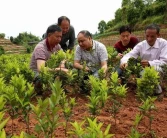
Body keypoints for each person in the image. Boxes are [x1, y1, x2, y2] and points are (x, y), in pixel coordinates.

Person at [120, 24, 167, 94]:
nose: (149, 39)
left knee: (157, 71)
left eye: (152, 36)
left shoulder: (163, 44)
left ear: (158, 35)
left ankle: (157, 91)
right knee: (144, 81)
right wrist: (124, 62)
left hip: (159, 69)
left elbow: (164, 62)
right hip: (144, 71)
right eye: (147, 36)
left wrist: (150, 63)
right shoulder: (141, 45)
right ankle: (153, 90)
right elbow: (129, 55)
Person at [30, 24, 68, 94]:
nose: (59, 39)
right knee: (40, 79)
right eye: (57, 36)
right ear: (49, 35)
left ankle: (60, 89)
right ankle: (39, 92)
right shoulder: (40, 47)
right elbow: (41, 69)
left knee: (67, 65)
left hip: (50, 69)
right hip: (37, 72)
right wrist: (58, 69)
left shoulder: (57, 46)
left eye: (60, 37)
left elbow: (64, 57)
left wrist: (62, 63)